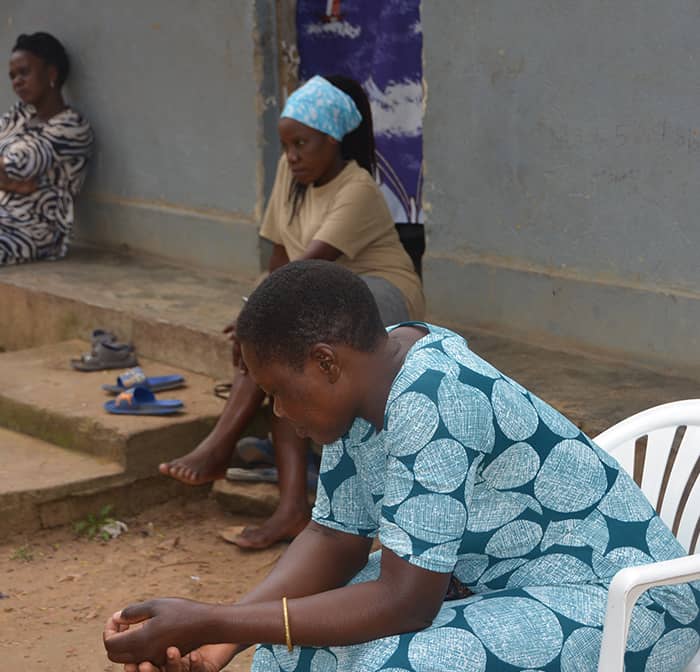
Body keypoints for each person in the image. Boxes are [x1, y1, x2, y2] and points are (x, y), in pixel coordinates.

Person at [104, 261, 700, 672]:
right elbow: (334, 538)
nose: (280, 413)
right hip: (494, 588)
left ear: (325, 363)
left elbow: (406, 603)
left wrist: (212, 619)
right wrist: (223, 635)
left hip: (627, 604)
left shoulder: (434, 393)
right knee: (290, 651)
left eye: (280, 392)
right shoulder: (363, 385)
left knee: (403, 663)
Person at [159, 75, 425, 549]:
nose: (293, 156)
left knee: (280, 336)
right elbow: (280, 259)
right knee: (279, 351)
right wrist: (255, 322)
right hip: (319, 295)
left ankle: (223, 446)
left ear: (333, 140)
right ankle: (291, 507)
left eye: (302, 144)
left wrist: (251, 320)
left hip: (379, 294)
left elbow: (307, 268)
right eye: (286, 146)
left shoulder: (357, 188)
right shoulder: (291, 179)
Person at [0, 32, 93, 265]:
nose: (16, 82)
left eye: (24, 72)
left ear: (51, 74)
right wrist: (14, 185)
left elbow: (18, 164)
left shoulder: (72, 128)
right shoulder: (19, 115)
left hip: (31, 231)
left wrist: (13, 179)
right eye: (12, 76)